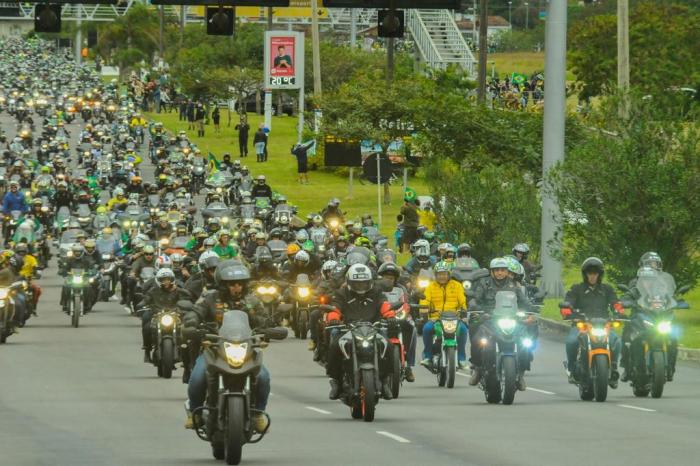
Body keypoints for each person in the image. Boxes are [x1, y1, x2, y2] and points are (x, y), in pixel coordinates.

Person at [183, 261, 271, 433]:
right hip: (214, 349)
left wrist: (267, 327)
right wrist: (192, 323)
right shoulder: (209, 298)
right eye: (232, 284)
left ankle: (258, 414)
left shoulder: (251, 301)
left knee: (263, 377)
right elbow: (194, 313)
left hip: (247, 350)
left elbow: (265, 319)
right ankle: (195, 413)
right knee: (197, 378)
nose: (236, 288)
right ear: (223, 285)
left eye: (240, 284)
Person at [325, 264, 396, 400]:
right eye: (357, 284)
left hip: (373, 328)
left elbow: (384, 305)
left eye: (364, 283)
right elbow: (335, 307)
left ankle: (385, 381)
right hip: (348, 329)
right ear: (350, 282)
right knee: (334, 346)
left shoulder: (376, 292)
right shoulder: (342, 293)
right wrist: (333, 318)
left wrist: (390, 316)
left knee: (389, 345)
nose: (361, 287)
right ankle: (336, 382)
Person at [469, 257, 535, 388]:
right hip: (489, 320)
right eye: (497, 270)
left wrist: (532, 309)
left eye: (503, 270)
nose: (500, 273)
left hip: (511, 319)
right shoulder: (484, 283)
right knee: (478, 340)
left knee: (525, 342)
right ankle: (477, 368)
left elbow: (523, 301)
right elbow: (475, 299)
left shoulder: (513, 285)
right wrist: (475, 307)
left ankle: (521, 373)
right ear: (492, 272)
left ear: (507, 271)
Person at [559, 257, 624, 387]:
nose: (593, 276)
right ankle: (572, 370)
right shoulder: (577, 289)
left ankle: (614, 368)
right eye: (590, 273)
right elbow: (568, 303)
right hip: (582, 325)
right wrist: (567, 312)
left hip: (604, 325)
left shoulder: (607, 289)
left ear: (599, 274)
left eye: (595, 273)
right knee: (571, 341)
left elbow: (615, 303)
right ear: (585, 274)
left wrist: (619, 311)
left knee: (616, 340)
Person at [419, 261, 468, 369]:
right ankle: (428, 356)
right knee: (426, 329)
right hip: (436, 318)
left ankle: (461, 358)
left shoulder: (457, 286)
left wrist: (463, 310)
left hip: (454, 318)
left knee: (463, 330)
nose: (442, 276)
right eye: (439, 274)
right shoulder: (431, 287)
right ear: (435, 275)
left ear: (449, 274)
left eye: (444, 274)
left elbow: (462, 301)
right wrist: (424, 308)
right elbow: (425, 300)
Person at [139, 268, 192, 363]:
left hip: (174, 314)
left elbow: (188, 296)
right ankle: (147, 350)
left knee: (186, 328)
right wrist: (142, 303)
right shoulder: (154, 290)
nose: (166, 282)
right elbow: (147, 298)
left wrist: (179, 289)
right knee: (147, 326)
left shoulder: (177, 289)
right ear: (159, 280)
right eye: (163, 280)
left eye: (168, 279)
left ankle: (184, 350)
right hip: (157, 314)